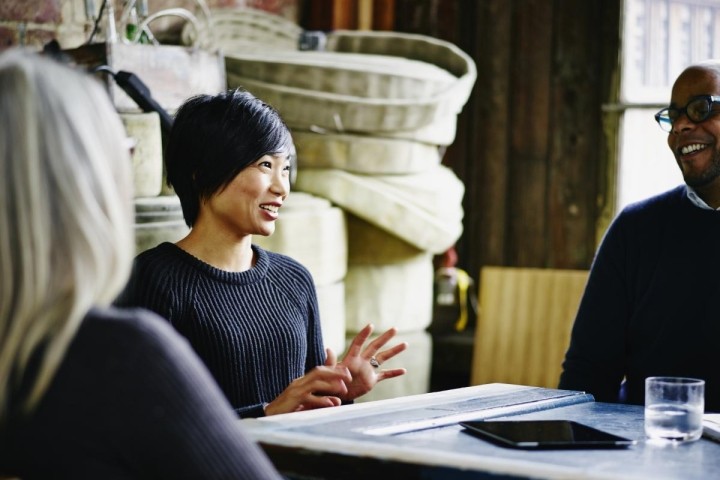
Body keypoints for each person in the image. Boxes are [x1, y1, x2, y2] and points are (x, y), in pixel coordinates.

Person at [0, 49, 281, 479]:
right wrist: (268, 412)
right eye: (118, 148)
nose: (280, 185)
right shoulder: (122, 354)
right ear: (82, 179)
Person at [116, 89, 408, 418]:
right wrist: (266, 414)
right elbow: (142, 423)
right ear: (200, 172)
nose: (282, 187)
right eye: (265, 165)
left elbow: (307, 409)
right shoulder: (154, 280)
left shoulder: (294, 279)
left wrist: (341, 392)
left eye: (285, 169)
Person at [559, 59, 720, 411]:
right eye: (673, 116)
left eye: (700, 108)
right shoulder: (636, 229)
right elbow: (587, 377)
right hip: (648, 452)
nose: (680, 126)